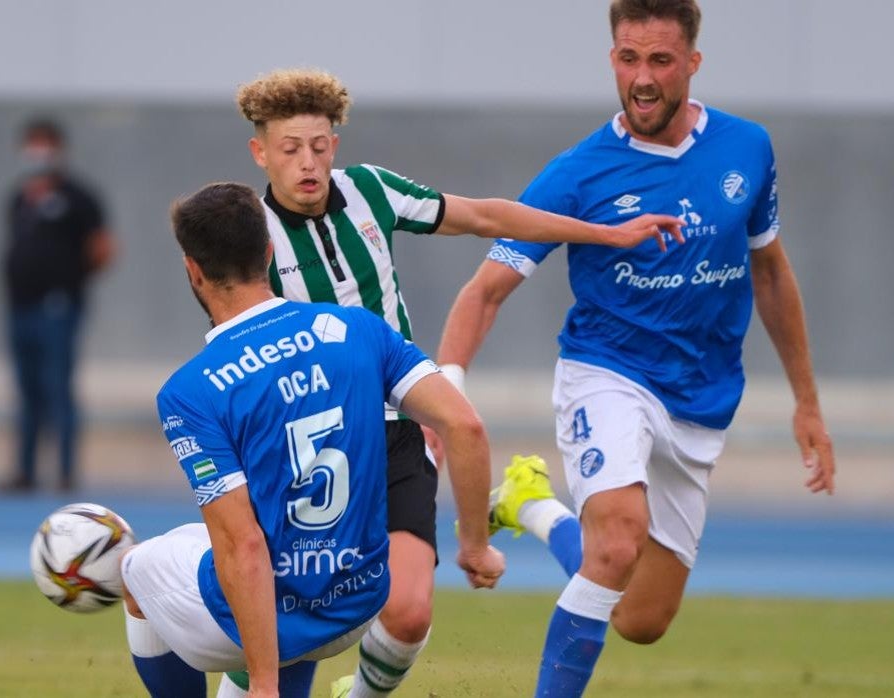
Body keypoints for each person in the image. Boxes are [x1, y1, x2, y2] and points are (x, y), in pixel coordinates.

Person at [234, 68, 682, 698]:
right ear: (260, 153)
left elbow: (482, 216)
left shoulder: (369, 192)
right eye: (289, 149)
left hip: (394, 432)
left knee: (411, 612)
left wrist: (605, 233)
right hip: (306, 446)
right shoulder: (248, 235)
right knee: (294, 622)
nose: (307, 162)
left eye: (319, 145)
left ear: (335, 143)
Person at [432, 1, 837, 694]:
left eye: (659, 60)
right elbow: (483, 290)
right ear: (611, 59)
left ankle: (532, 505)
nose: (642, 78)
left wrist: (807, 402)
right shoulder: (578, 175)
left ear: (692, 63)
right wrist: (444, 388)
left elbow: (770, 270)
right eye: (628, 59)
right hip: (608, 373)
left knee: (641, 620)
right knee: (618, 541)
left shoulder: (747, 148)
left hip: (700, 399)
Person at [121, 181, 505, 697]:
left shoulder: (190, 390)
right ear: (268, 252)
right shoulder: (356, 328)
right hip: (360, 601)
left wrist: (263, 682)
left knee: (135, 570)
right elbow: (466, 426)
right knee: (196, 543)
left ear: (192, 270)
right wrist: (476, 547)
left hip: (270, 621)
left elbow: (243, 545)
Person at [2, 117, 116, 493]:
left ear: (58, 151)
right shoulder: (19, 196)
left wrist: (70, 280)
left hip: (58, 306)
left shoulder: (79, 197)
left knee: (57, 387)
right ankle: (25, 470)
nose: (38, 154)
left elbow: (103, 249)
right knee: (26, 390)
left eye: (44, 146)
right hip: (20, 305)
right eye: (32, 145)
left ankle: (65, 472)